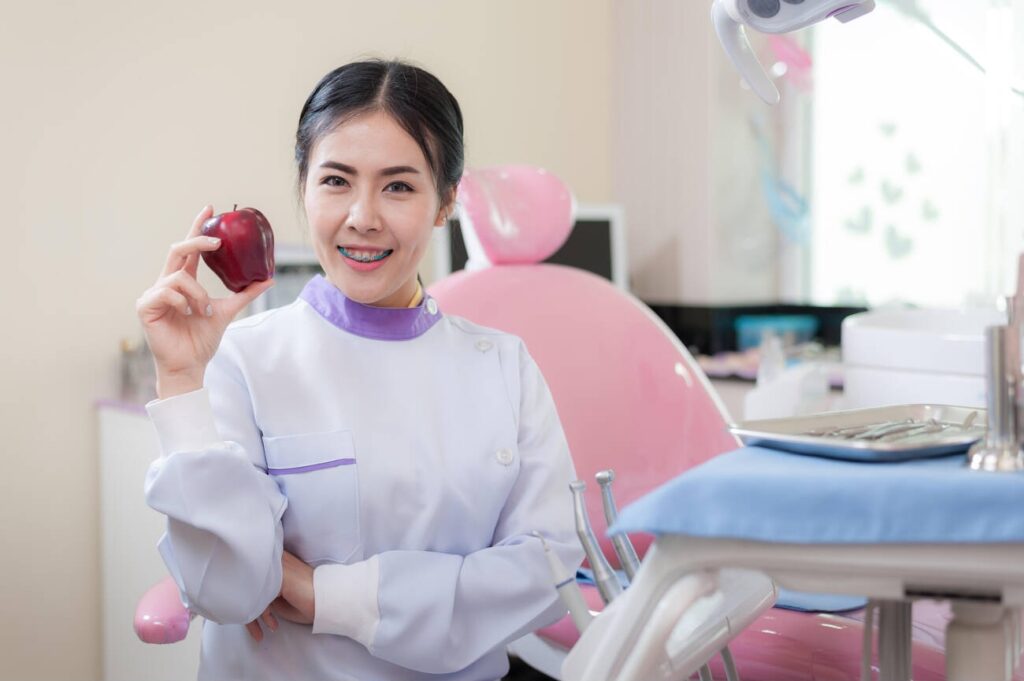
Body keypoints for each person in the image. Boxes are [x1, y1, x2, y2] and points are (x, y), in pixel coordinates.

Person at [135, 59, 584, 681]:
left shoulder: (504, 367)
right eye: (337, 181)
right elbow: (229, 593)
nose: (363, 217)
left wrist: (327, 595)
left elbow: (544, 571)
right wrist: (181, 382)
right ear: (303, 187)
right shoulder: (243, 358)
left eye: (398, 186)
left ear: (445, 201)